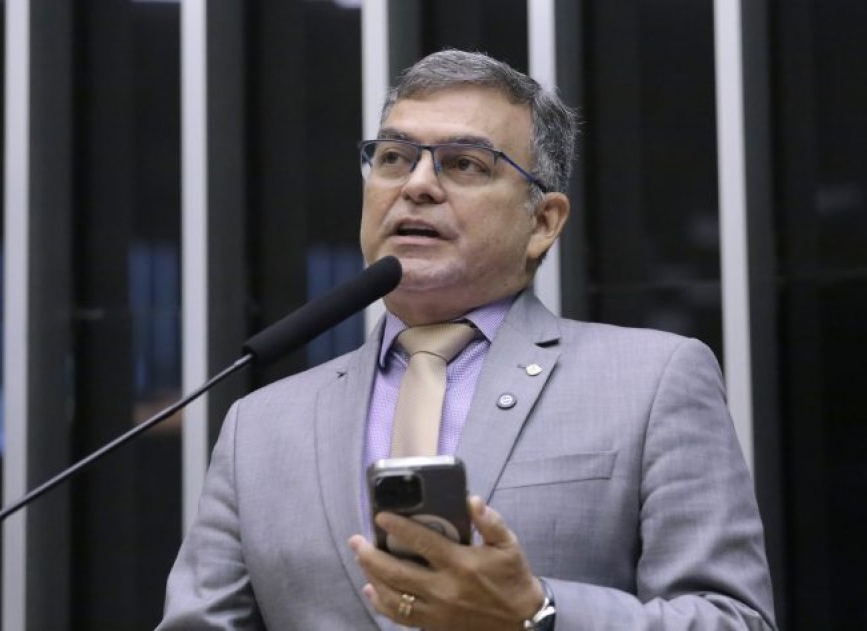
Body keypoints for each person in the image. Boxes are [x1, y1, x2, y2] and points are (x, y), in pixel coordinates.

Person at [157, 49, 777, 630]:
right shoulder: (260, 425)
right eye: (394, 157)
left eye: (464, 164)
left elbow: (733, 619)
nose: (417, 185)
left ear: (543, 222)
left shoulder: (653, 380)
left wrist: (539, 612)